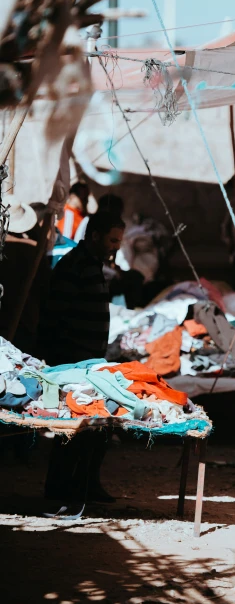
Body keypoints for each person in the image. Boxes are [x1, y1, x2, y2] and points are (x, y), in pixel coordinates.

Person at [39, 211, 125, 505]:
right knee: (72, 431)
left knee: (96, 428)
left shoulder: (93, 265)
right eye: (112, 240)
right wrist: (64, 362)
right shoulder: (75, 265)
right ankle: (59, 493)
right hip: (72, 361)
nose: (116, 247)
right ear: (96, 235)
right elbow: (55, 315)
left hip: (89, 362)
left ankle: (86, 484)